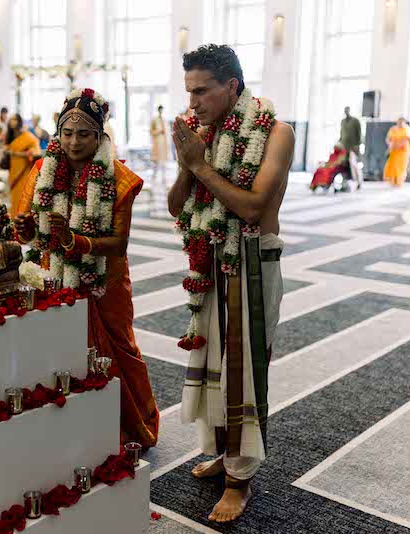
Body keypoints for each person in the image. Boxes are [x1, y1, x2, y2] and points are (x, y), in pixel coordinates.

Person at [167, 44, 294, 523]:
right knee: (212, 361)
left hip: (252, 264)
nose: (193, 101)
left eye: (201, 90)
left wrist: (201, 165)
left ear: (232, 87)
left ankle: (240, 480)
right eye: (189, 92)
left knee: (242, 370)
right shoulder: (204, 135)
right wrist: (187, 162)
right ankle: (222, 452)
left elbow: (254, 206)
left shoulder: (277, 133)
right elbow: (178, 207)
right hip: (210, 261)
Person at [13, 87, 159, 451]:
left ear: (99, 136)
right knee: (57, 351)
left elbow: (119, 244)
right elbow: (32, 234)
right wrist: (27, 230)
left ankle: (132, 426)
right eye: (66, 132)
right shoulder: (40, 172)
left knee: (120, 349)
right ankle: (68, 426)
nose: (74, 141)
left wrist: (74, 241)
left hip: (104, 283)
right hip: (54, 276)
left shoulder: (120, 180)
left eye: (83, 134)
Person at [4, 113, 41, 217]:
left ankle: (23, 220)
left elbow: (36, 152)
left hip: (24, 171)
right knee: (14, 197)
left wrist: (16, 153)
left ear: (19, 121)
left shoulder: (27, 136)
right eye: (11, 119)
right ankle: (14, 221)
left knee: (24, 196)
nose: (12, 122)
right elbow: (7, 148)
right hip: (13, 170)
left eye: (15, 119)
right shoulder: (9, 135)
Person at [383, 117, 410, 187]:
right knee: (393, 166)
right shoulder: (393, 129)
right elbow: (388, 139)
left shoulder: (407, 129)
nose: (400, 124)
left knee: (401, 167)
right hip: (394, 151)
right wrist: (390, 145)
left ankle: (399, 181)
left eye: (402, 122)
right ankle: (393, 180)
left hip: (403, 152)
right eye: (399, 122)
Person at [151, 105, 169, 186]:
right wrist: (159, 131)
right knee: (156, 162)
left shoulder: (164, 120)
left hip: (163, 143)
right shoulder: (154, 120)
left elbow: (166, 132)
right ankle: (154, 177)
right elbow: (151, 131)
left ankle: (164, 177)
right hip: (157, 143)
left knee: (163, 162)